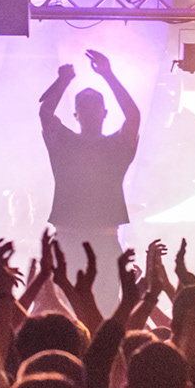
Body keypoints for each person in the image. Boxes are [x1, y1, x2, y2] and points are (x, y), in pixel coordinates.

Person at [40, 51, 141, 260]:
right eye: (83, 107)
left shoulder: (117, 145)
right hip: (67, 242)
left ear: (105, 112)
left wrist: (108, 75)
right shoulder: (63, 142)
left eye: (94, 106)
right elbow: (45, 114)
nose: (90, 111)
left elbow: (133, 116)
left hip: (104, 243)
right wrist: (63, 81)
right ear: (76, 115)